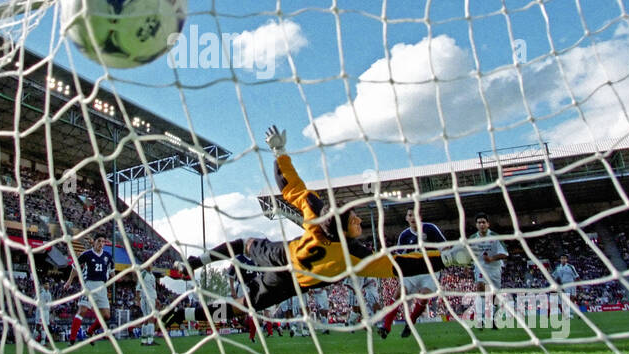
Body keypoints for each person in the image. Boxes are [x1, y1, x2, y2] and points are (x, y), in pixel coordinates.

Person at [175, 126, 446, 314]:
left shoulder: (316, 212)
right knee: (241, 306)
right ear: (341, 228)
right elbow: (402, 266)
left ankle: (195, 268)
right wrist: (446, 259)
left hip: (282, 256)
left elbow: (288, 185)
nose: (360, 222)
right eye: (355, 220)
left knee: (244, 247)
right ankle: (185, 311)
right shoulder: (355, 254)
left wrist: (278, 153)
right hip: (292, 282)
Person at [380, 207, 446, 339]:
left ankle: (409, 324)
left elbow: (444, 246)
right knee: (398, 294)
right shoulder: (404, 235)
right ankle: (386, 327)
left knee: (424, 297)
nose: (412, 217)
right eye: (410, 215)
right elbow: (399, 256)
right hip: (412, 273)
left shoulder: (431, 229)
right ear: (407, 218)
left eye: (415, 215)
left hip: (430, 271)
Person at [66, 234, 115, 344]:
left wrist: (114, 279)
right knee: (82, 311)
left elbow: (112, 271)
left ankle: (90, 331)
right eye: (99, 241)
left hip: (102, 287)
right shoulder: (87, 254)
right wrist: (69, 281)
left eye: (103, 242)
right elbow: (75, 267)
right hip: (89, 285)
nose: (101, 244)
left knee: (106, 315)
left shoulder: (107, 256)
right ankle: (72, 339)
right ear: (94, 242)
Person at [469, 214, 510, 329]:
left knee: (494, 296)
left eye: (483, 222)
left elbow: (505, 254)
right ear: (476, 225)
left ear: (488, 224)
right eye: (479, 222)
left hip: (495, 268)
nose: (481, 224)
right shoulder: (472, 238)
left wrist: (491, 259)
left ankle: (493, 319)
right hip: (480, 267)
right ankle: (480, 319)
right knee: (480, 287)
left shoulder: (495, 237)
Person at [136, 258, 159, 345]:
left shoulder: (152, 276)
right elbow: (138, 287)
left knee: (146, 319)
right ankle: (150, 340)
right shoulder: (143, 274)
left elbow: (153, 289)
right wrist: (138, 299)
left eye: (151, 264)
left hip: (152, 298)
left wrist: (156, 299)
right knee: (150, 318)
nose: (150, 266)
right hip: (146, 298)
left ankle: (144, 340)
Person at [552, 256, 579, 320]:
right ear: (560, 260)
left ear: (566, 260)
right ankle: (569, 313)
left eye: (564, 258)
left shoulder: (570, 267)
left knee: (572, 298)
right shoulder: (558, 268)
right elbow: (553, 276)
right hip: (563, 284)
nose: (563, 260)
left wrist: (579, 285)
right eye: (562, 258)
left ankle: (571, 312)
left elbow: (576, 276)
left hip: (571, 284)